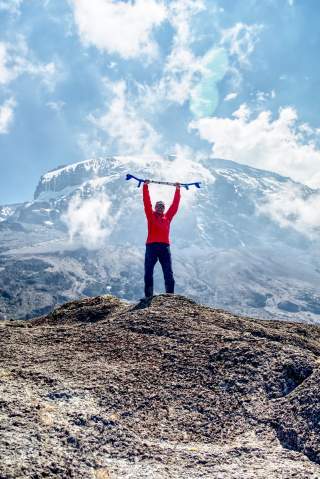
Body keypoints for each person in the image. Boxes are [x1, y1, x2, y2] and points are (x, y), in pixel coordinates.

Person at [143, 179, 181, 298]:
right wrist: (145, 187)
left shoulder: (167, 217)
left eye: (162, 206)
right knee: (148, 272)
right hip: (151, 247)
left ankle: (170, 296)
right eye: (158, 206)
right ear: (155, 207)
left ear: (164, 208)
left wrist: (178, 189)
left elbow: (174, 206)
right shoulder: (150, 215)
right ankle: (148, 296)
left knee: (168, 272)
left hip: (165, 247)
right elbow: (146, 202)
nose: (160, 208)